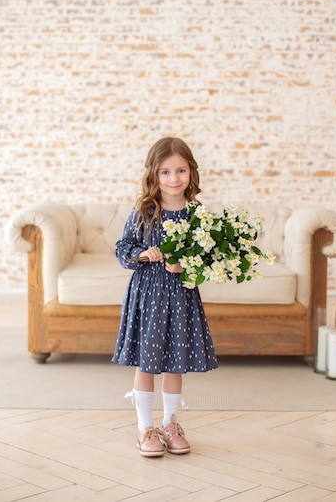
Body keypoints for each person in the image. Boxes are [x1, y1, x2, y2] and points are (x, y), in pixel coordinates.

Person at [112, 137, 218, 458]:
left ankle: (171, 424)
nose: (174, 179)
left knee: (175, 363)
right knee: (147, 363)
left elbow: (208, 257)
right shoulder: (146, 211)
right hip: (149, 296)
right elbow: (123, 249)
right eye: (165, 172)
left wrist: (184, 263)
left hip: (182, 296)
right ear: (154, 176)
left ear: (191, 172)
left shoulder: (198, 214)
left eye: (181, 170)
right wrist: (144, 253)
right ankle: (146, 427)